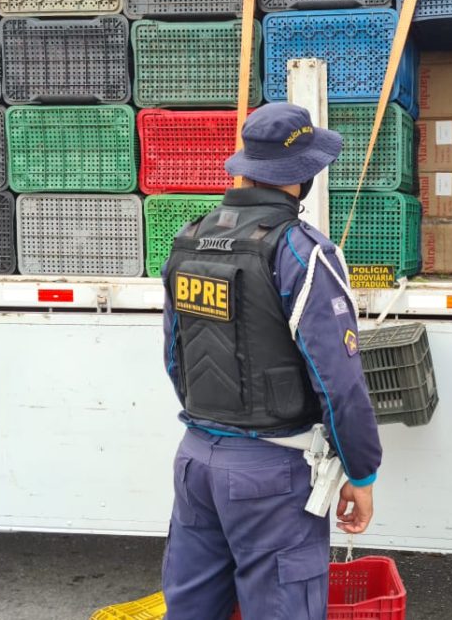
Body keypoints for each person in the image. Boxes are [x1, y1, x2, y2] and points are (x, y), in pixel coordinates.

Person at [160, 103, 382, 620]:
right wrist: (361, 473)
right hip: (272, 474)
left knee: (191, 609)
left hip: (195, 458)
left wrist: (215, 424)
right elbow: (339, 383)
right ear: (301, 178)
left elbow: (174, 355)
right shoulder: (301, 252)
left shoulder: (190, 240)